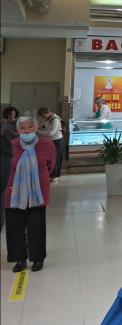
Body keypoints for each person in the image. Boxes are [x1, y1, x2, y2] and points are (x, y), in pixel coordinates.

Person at [5, 117, 56, 273]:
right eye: (23, 128)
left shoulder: (47, 145)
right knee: (15, 227)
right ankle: (19, 259)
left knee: (36, 227)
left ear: (36, 128)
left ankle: (37, 258)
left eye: (30, 127)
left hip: (37, 193)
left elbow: (51, 167)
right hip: (13, 193)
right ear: (18, 130)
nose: (27, 131)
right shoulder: (9, 146)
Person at [0, 107, 19, 232]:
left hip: (13, 151)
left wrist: (17, 134)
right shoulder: (3, 124)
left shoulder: (17, 124)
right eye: (10, 114)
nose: (12, 116)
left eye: (14, 114)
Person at [36, 108, 65, 183]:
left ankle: (56, 176)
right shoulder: (49, 119)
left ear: (47, 113)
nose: (43, 117)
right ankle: (51, 175)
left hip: (57, 141)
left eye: (43, 115)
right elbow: (45, 127)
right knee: (51, 159)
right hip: (51, 141)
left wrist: (38, 131)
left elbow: (51, 133)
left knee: (56, 158)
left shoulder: (55, 120)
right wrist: (39, 127)